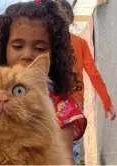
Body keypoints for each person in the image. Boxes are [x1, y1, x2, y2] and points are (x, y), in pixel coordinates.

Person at [0, 0, 87, 163]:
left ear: (53, 54)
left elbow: (64, 159)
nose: (27, 55)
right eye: (18, 46)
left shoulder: (61, 104)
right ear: (3, 47)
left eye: (40, 49)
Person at [60, 0, 116, 163]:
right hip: (75, 103)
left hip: (54, 100)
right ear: (70, 19)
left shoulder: (49, 43)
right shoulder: (80, 43)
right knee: (73, 148)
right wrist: (106, 102)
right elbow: (94, 74)